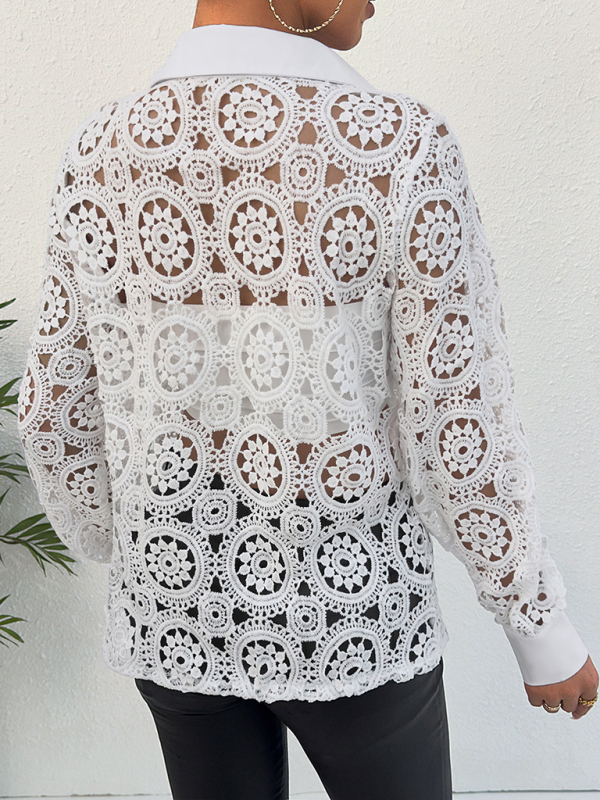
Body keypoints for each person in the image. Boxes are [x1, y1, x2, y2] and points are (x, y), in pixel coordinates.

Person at [17, 1, 598, 798]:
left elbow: (53, 410)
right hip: (350, 600)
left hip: (176, 596)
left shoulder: (99, 149)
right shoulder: (400, 147)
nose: (374, 2)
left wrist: (130, 545)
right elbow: (458, 421)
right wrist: (538, 627)